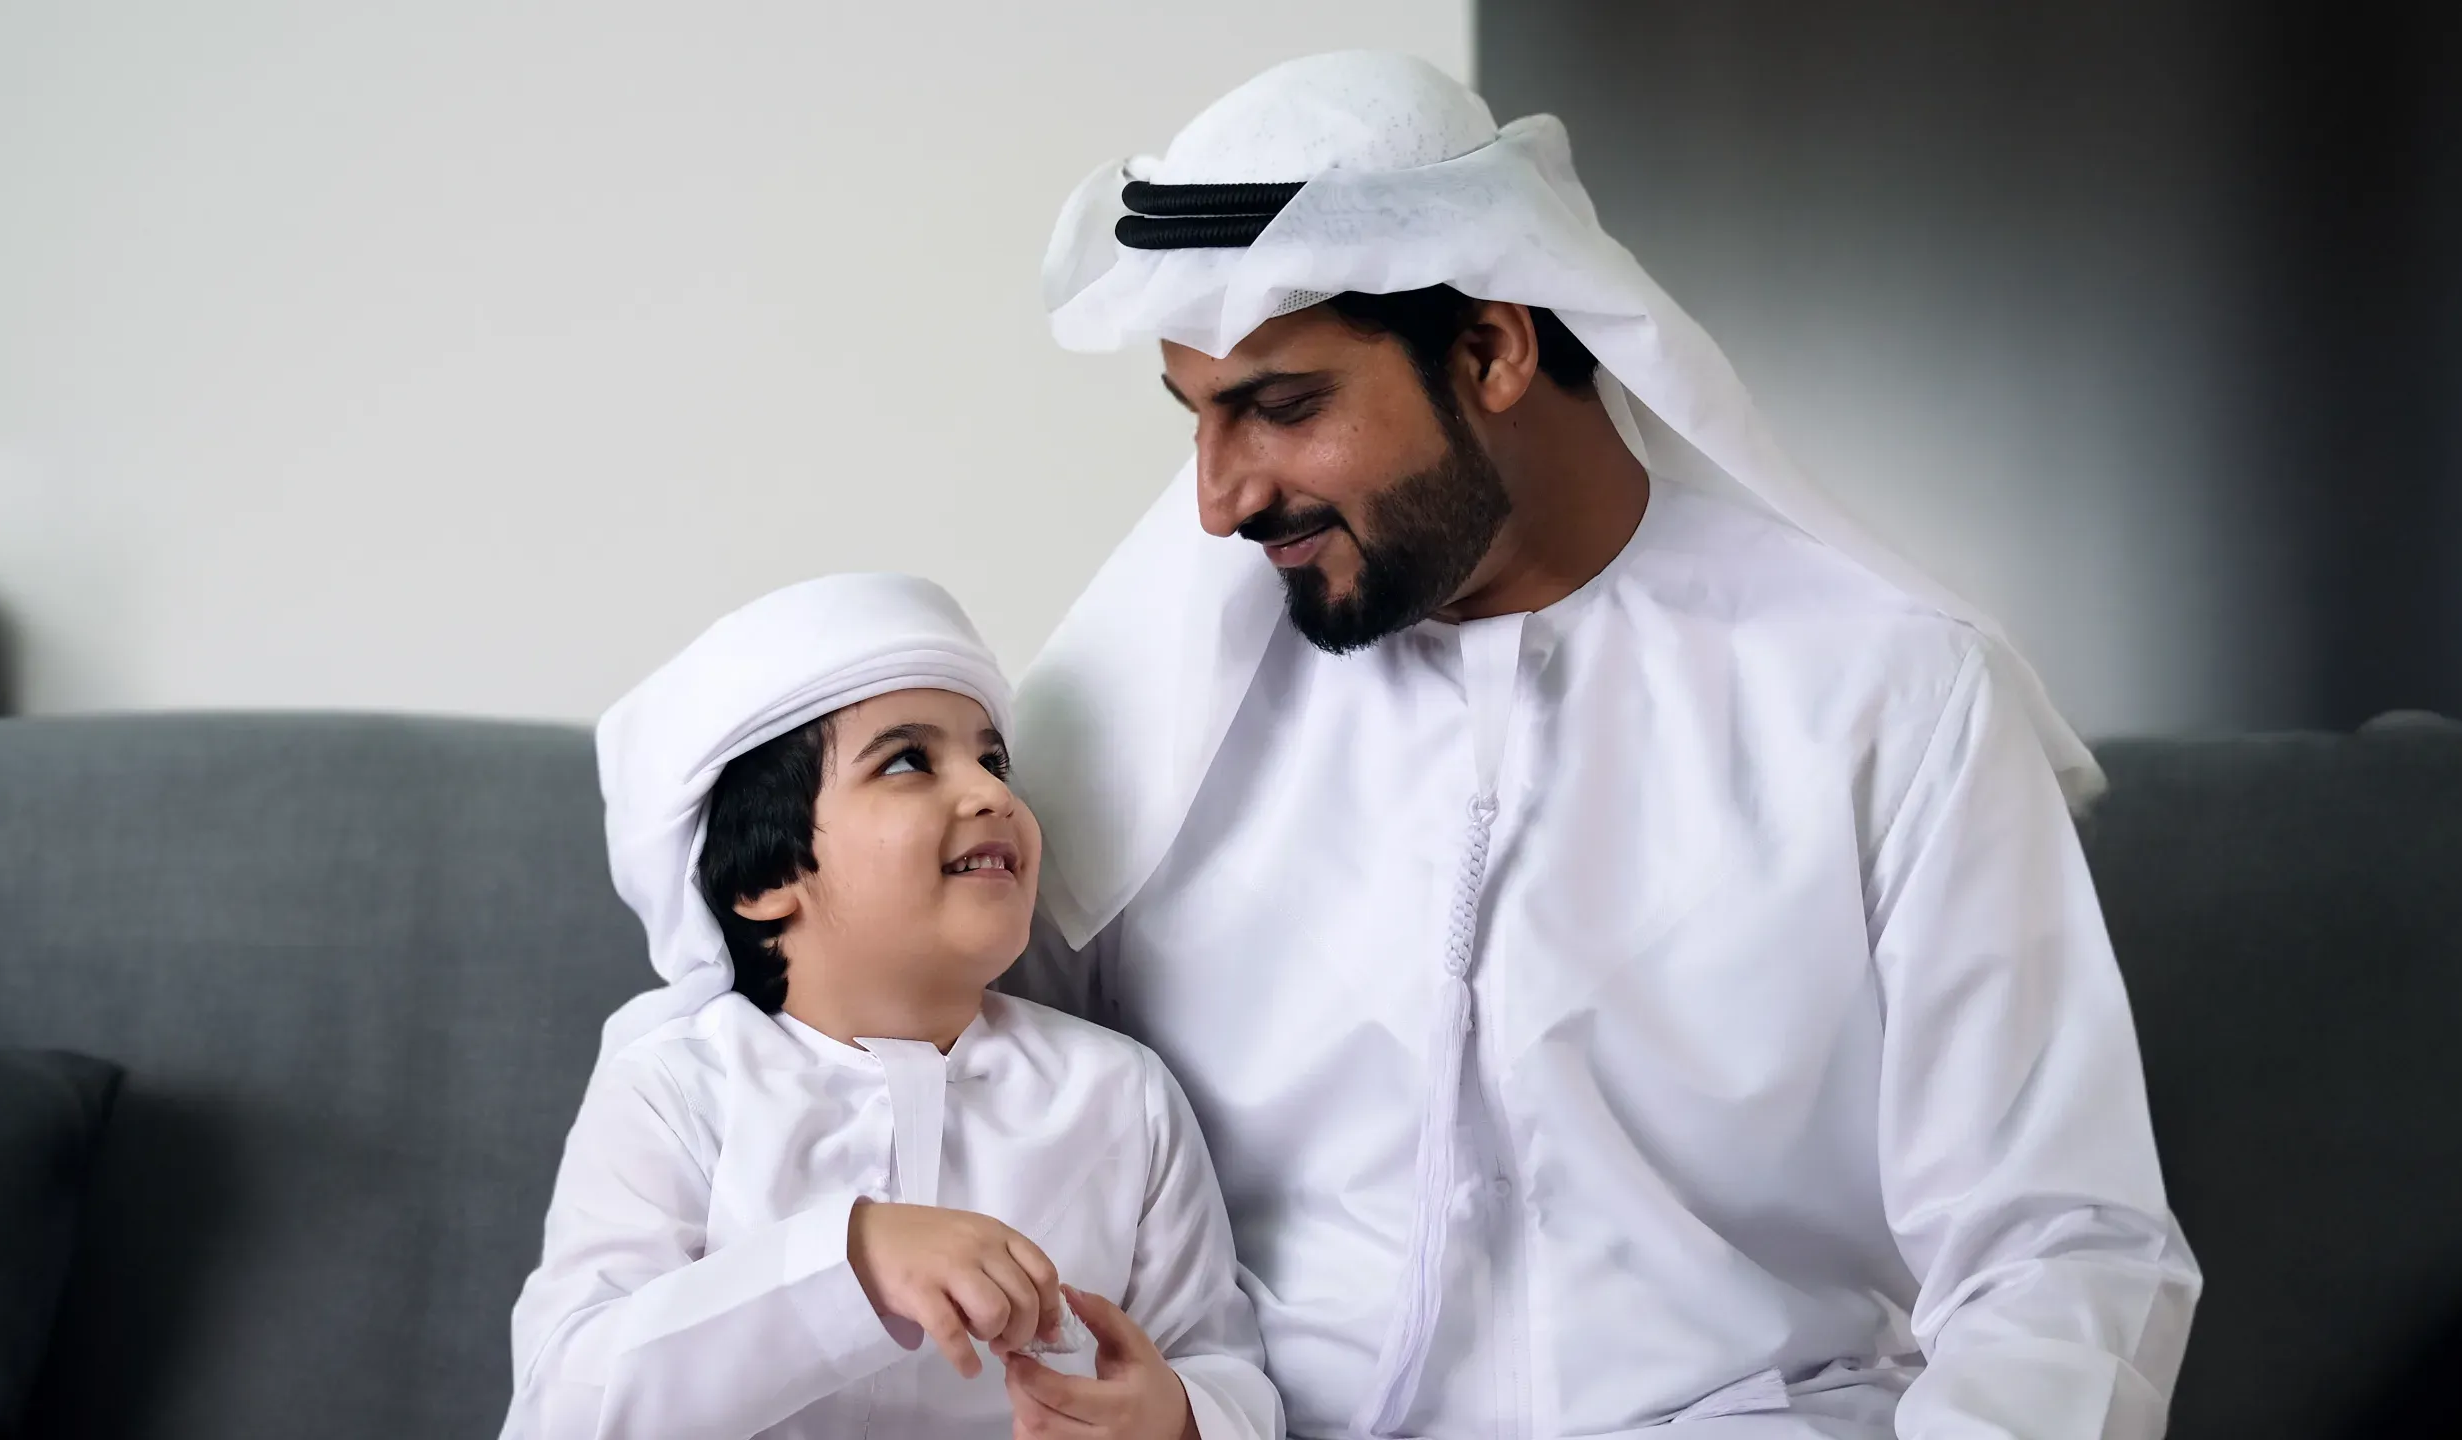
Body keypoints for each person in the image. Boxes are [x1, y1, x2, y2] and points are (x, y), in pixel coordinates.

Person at [1007, 51, 2201, 1439]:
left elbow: (2056, 1259)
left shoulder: (1885, 694)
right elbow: (930, 1079)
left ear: (1494, 350)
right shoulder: (1152, 718)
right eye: (1198, 419)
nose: (1219, 502)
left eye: (1284, 407)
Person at [501, 574, 1282, 1440]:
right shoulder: (678, 1091)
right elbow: (565, 1402)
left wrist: (1178, 1417)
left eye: (993, 761)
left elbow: (1221, 1361)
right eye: (908, 762)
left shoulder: (1120, 1095)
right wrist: (853, 1259)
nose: (992, 794)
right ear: (765, 876)